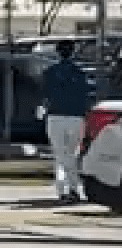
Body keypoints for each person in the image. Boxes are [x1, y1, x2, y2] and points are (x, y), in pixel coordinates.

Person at [42, 40, 95, 205]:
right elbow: (87, 95)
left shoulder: (50, 72)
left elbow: (44, 95)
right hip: (75, 117)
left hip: (55, 116)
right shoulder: (80, 73)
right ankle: (74, 188)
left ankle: (64, 190)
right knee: (72, 154)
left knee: (60, 155)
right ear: (73, 52)